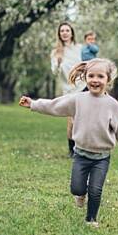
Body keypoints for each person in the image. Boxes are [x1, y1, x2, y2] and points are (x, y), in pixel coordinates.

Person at [19, 58, 118, 227]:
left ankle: (91, 220)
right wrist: (33, 104)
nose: (95, 80)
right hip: (81, 155)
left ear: (108, 80)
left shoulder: (112, 105)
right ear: (85, 77)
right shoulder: (78, 99)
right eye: (91, 76)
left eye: (100, 76)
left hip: (101, 158)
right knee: (76, 188)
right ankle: (80, 194)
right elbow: (55, 105)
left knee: (95, 191)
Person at [51, 22, 84, 157]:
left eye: (67, 30)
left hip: (83, 87)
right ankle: (72, 150)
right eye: (62, 31)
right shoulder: (56, 52)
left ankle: (83, 147)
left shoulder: (79, 48)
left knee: (83, 119)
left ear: (72, 33)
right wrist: (58, 63)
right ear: (59, 34)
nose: (64, 33)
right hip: (68, 90)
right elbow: (54, 72)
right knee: (72, 120)